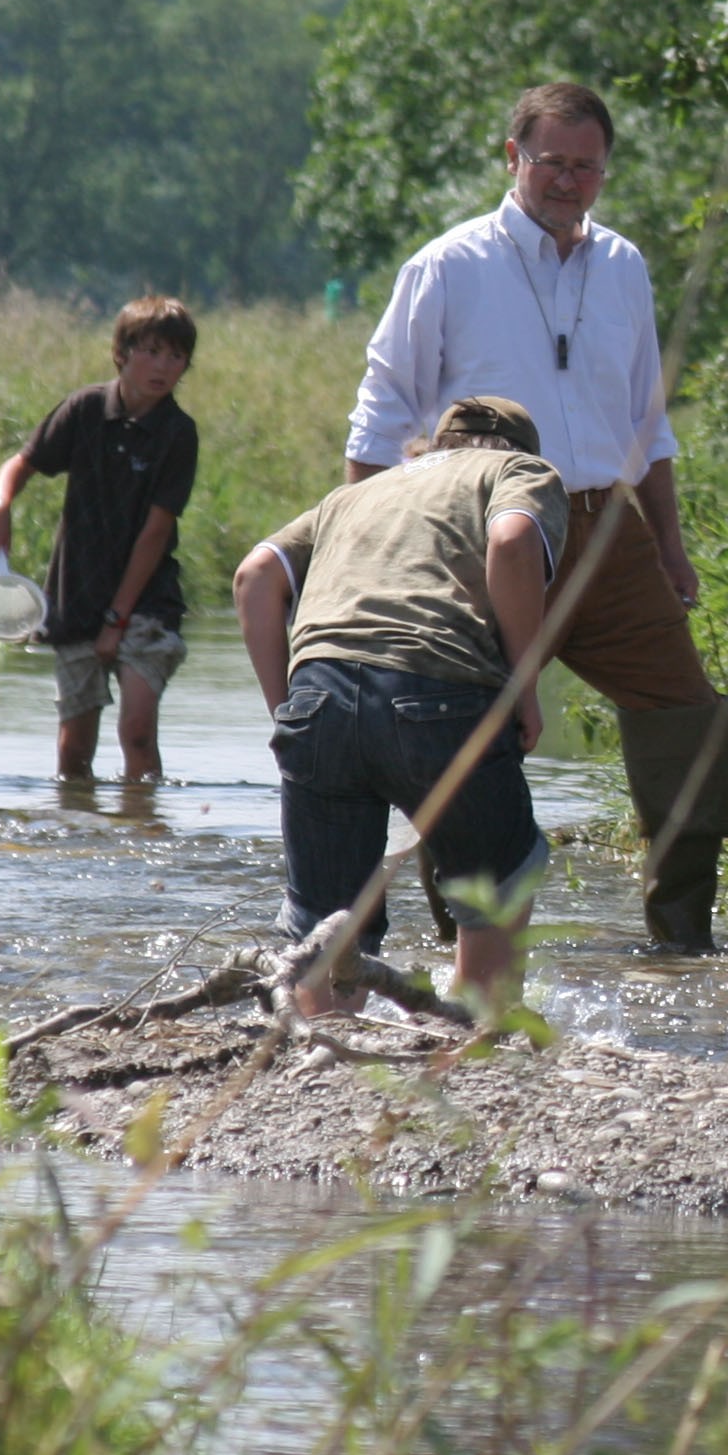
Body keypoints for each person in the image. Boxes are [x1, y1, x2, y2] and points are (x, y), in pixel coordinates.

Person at [342, 81, 728, 953]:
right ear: (512, 157)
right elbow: (380, 418)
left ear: (605, 171)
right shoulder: (448, 266)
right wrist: (360, 549)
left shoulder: (624, 265)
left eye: (586, 166)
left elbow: (647, 422)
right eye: (551, 161)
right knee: (461, 729)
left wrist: (671, 547)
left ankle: (683, 940)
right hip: (478, 530)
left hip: (606, 530)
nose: (567, 181)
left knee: (687, 716)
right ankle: (469, 947)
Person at [233, 395, 566, 1018]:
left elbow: (255, 577)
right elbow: (514, 539)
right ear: (522, 449)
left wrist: (291, 714)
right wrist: (523, 689)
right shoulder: (519, 473)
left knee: (331, 923)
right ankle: (473, 1032)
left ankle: (318, 1050)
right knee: (501, 877)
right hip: (439, 691)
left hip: (318, 691)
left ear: (436, 446)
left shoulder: (355, 494)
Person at [0, 296, 200, 784]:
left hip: (146, 604)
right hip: (76, 598)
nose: (163, 367)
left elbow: (156, 531)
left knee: (137, 732)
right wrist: (0, 505)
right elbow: (22, 463)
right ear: (121, 352)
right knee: (74, 750)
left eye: (176, 357)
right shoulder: (85, 409)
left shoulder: (177, 433)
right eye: (152, 352)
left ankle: (142, 831)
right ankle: (79, 835)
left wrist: (117, 620)